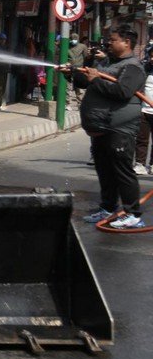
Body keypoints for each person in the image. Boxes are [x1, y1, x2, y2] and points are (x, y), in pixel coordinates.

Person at [62, 27, 146, 228]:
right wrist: (72, 73)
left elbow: (122, 92)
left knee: (122, 171)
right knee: (104, 170)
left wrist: (96, 79)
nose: (108, 43)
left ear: (126, 42)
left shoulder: (133, 67)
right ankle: (107, 208)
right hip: (100, 127)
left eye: (112, 40)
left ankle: (132, 213)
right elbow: (86, 82)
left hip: (119, 128)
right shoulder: (106, 63)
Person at [68, 34, 89, 104]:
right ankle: (68, 101)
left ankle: (80, 101)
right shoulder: (66, 46)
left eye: (75, 39)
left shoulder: (83, 46)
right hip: (69, 68)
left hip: (79, 68)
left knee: (78, 86)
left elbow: (86, 57)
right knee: (68, 85)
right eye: (72, 38)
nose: (73, 40)